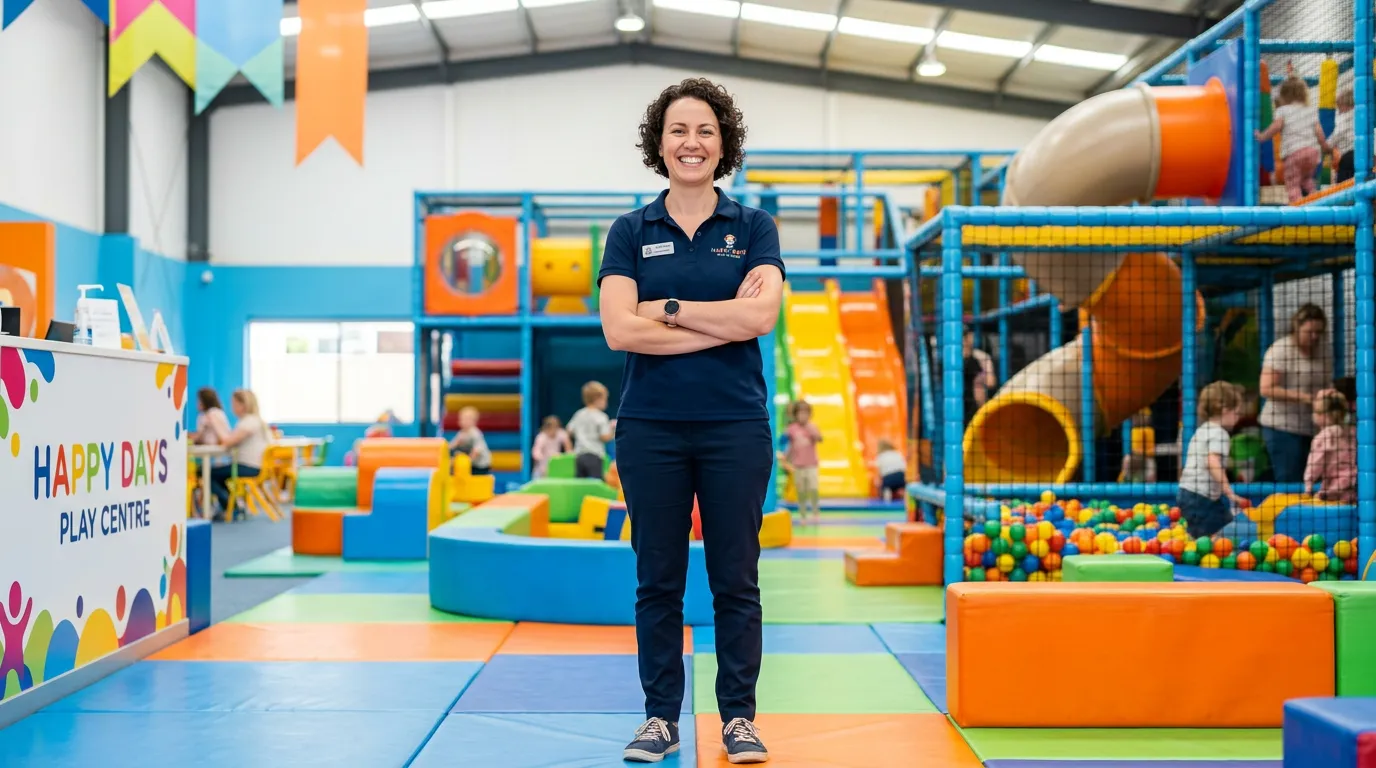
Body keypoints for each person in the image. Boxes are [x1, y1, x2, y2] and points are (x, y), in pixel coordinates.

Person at [598, 77, 783, 764]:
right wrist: (719, 322)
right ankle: (659, 719)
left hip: (735, 426)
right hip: (650, 426)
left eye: (705, 130)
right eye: (679, 130)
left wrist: (666, 308)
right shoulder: (630, 230)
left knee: (736, 577)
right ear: (660, 143)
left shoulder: (753, 227)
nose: (692, 142)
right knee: (658, 578)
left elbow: (761, 317)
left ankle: (738, 718)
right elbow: (618, 331)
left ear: (723, 141)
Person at [1258, 304, 1332, 483]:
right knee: (1289, 477)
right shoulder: (1281, 350)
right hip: (1281, 426)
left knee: (1310, 477)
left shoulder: (1324, 349)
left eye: (1318, 332)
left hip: (1312, 426)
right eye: (1309, 332)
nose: (1314, 337)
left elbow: (1326, 381)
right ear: (1296, 328)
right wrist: (1306, 398)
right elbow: (1266, 388)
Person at [1178, 382, 1249, 539]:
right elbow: (1212, 461)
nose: (1239, 418)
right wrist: (1228, 490)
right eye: (1236, 413)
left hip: (1188, 492)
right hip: (1201, 497)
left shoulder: (1202, 430)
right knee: (1209, 538)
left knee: (1223, 522)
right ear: (1225, 410)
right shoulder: (1220, 434)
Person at [1255, 74, 1332, 204]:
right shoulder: (1311, 110)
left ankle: (1297, 209)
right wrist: (1325, 147)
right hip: (1312, 154)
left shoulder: (1283, 110)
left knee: (1292, 183)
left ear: (1284, 95)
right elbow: (1319, 132)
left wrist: (1262, 136)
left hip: (1294, 154)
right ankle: (1317, 200)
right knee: (1307, 180)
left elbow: (1276, 127)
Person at [206, 389, 272, 522]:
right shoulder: (255, 421)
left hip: (248, 466)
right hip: (253, 466)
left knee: (206, 472)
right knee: (215, 474)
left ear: (243, 405)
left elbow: (227, 442)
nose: (232, 408)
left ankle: (233, 507)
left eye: (234, 404)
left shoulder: (248, 423)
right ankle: (232, 506)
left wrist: (214, 421)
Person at [1304, 389, 1356, 503]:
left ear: (1322, 415)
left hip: (1333, 490)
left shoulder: (1322, 438)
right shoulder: (1353, 432)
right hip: (1355, 488)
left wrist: (1308, 486)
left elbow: (1314, 465)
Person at [779, 400, 822, 524]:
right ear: (795, 415)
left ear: (809, 414)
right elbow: (790, 445)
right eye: (800, 413)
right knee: (801, 491)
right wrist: (785, 456)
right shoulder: (792, 429)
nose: (803, 416)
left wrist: (811, 429)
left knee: (813, 488)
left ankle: (815, 512)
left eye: (805, 413)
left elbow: (819, 438)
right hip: (798, 465)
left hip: (811, 464)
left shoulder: (812, 426)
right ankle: (803, 515)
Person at [567, 381, 616, 479]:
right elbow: (604, 437)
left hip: (579, 456)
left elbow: (569, 431)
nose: (606, 402)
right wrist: (612, 430)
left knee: (581, 484)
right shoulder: (601, 417)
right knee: (596, 483)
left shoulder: (579, 414)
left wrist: (570, 448)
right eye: (605, 399)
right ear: (597, 399)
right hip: (595, 455)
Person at [449, 406, 492, 475]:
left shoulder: (475, 433)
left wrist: (467, 462)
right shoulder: (461, 433)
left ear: (474, 422)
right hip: (472, 463)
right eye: (462, 419)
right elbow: (452, 445)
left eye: (467, 419)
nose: (464, 422)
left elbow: (477, 451)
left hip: (481, 465)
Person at [1331, 88, 1355, 183]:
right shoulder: (1360, 113)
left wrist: (1326, 145)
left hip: (1348, 157)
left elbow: (1336, 135)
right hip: (1364, 156)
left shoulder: (1343, 118)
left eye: (1339, 107)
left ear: (1344, 105)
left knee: (1343, 185)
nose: (1339, 110)